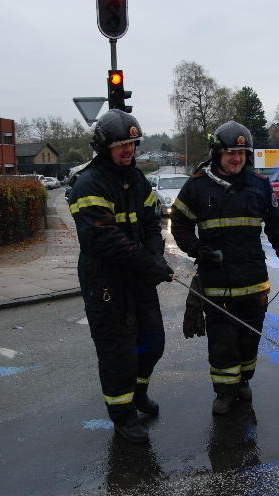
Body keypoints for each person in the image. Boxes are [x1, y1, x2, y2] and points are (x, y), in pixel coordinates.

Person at [170, 120, 279, 415]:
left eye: (242, 152)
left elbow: (278, 229)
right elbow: (180, 223)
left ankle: (243, 381)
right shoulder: (198, 186)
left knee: (249, 336)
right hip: (217, 280)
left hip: (253, 281)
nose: (237, 158)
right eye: (230, 152)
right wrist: (197, 248)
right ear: (218, 153)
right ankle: (224, 392)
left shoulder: (260, 186)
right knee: (222, 338)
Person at [68, 109, 173, 443]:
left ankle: (137, 393)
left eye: (133, 143)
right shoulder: (89, 184)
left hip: (139, 277)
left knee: (152, 341)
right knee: (117, 353)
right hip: (106, 282)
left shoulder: (137, 179)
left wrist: (156, 254)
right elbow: (103, 239)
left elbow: (152, 221)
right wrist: (148, 262)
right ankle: (123, 415)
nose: (129, 151)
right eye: (121, 145)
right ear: (104, 147)